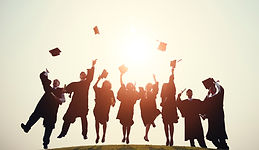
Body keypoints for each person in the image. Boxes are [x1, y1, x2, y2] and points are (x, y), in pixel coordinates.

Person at [21, 71, 65, 149]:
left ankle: (45, 143)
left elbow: (63, 100)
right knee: (34, 116)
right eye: (54, 81)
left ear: (58, 84)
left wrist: (56, 98)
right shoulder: (48, 89)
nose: (55, 82)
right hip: (43, 107)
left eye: (57, 82)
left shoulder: (61, 90)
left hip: (51, 110)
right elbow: (44, 81)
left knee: (49, 127)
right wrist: (46, 74)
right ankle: (27, 128)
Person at [57, 59, 96, 139]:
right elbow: (66, 90)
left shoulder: (86, 83)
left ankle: (84, 134)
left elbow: (90, 77)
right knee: (67, 118)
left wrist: (92, 65)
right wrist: (64, 90)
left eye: (83, 74)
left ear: (85, 76)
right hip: (74, 104)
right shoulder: (75, 84)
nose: (82, 74)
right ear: (79, 76)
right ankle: (63, 133)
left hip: (83, 104)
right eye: (81, 74)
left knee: (84, 118)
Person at [202, 79, 229, 149]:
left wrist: (215, 83)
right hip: (211, 120)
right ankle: (221, 147)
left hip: (219, 118)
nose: (210, 89)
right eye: (209, 88)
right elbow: (204, 106)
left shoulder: (218, 96)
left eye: (211, 87)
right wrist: (204, 115)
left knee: (221, 137)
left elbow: (221, 89)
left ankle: (224, 147)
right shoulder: (208, 97)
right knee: (212, 137)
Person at [116, 70, 140, 144]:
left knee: (128, 124)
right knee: (124, 124)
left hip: (129, 109)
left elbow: (138, 96)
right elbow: (121, 84)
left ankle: (127, 137)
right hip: (124, 109)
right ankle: (124, 136)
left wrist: (135, 88)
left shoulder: (133, 92)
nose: (129, 86)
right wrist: (121, 76)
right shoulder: (125, 91)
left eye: (131, 86)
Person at [93, 71, 115, 143]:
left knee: (104, 122)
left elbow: (113, 100)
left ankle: (103, 136)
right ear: (103, 84)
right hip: (97, 108)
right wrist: (99, 79)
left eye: (107, 84)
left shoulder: (110, 92)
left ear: (109, 85)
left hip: (105, 109)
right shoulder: (99, 90)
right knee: (96, 121)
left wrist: (113, 103)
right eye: (105, 84)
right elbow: (94, 87)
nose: (106, 85)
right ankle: (97, 136)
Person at [139, 74, 161, 142]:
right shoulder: (144, 93)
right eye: (148, 86)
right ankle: (146, 135)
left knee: (158, 112)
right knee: (148, 122)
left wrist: (154, 79)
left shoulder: (152, 93)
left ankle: (152, 122)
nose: (149, 88)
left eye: (150, 87)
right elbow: (140, 98)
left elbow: (156, 88)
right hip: (145, 109)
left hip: (152, 109)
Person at [160, 68, 179, 146]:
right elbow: (161, 95)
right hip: (165, 106)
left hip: (171, 107)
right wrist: (162, 101)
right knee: (165, 123)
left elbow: (173, 92)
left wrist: (173, 70)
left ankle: (171, 138)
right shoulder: (164, 85)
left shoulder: (173, 86)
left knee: (171, 124)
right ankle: (167, 138)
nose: (172, 79)